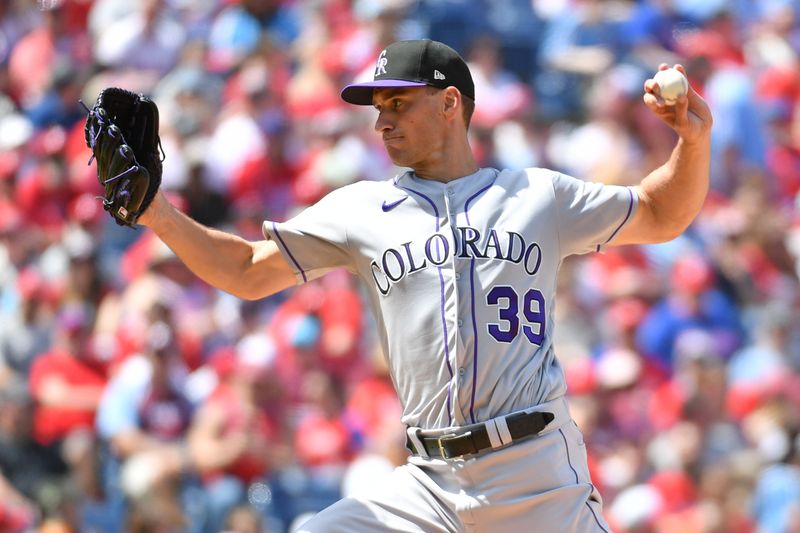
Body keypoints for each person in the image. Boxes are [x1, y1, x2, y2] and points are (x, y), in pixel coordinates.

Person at [135, 39, 712, 532]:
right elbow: (244, 269)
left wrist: (692, 138)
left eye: (398, 102)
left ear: (450, 103)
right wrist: (155, 212)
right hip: (428, 483)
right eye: (378, 106)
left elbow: (663, 213)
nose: (382, 120)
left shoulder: (537, 195)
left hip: (535, 474)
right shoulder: (362, 209)